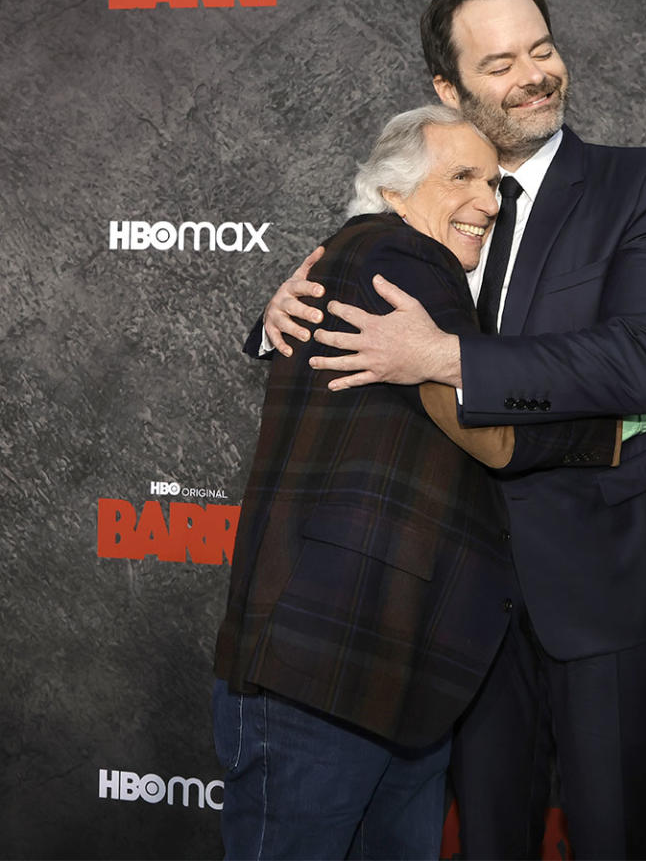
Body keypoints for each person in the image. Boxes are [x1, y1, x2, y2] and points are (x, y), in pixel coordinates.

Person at [249, 0, 646, 860]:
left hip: (606, 578)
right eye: (501, 63)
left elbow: (642, 360)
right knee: (485, 834)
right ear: (449, 88)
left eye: (542, 51)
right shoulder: (432, 189)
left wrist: (446, 358)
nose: (534, 76)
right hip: (461, 589)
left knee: (613, 833)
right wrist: (275, 315)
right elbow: (361, 278)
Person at [214, 105, 621, 861]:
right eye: (461, 176)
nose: (488, 201)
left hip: (381, 674)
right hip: (330, 666)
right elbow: (492, 435)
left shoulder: (368, 257)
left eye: (495, 184)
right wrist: (612, 428)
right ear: (393, 191)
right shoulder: (404, 260)